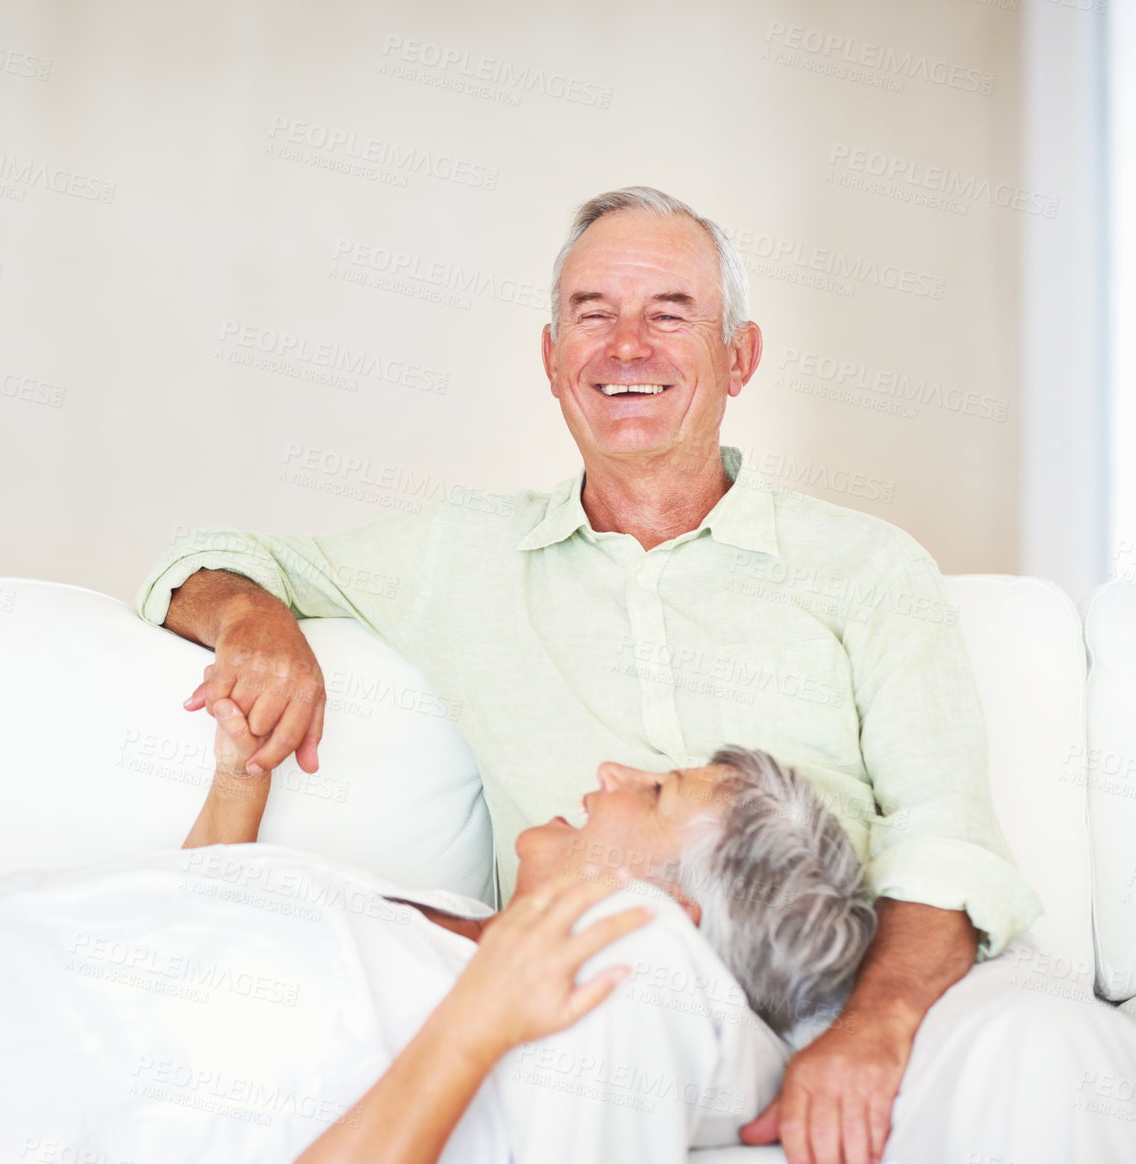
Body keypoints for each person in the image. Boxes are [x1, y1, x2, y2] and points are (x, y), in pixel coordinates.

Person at [135, 186, 1136, 1162]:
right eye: (593, 316)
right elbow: (209, 560)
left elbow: (943, 839)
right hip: (639, 966)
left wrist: (869, 1030)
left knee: (1055, 1046)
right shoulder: (463, 553)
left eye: (671, 314)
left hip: (866, 975)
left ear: (738, 357)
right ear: (551, 358)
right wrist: (254, 618)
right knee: (612, 995)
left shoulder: (865, 564)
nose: (627, 347)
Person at [0, 709, 872, 1163]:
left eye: (658, 790)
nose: (612, 774)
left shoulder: (605, 1010)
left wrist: (482, 1016)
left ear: (681, 908)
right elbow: (160, 1001)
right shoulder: (504, 955)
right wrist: (237, 785)